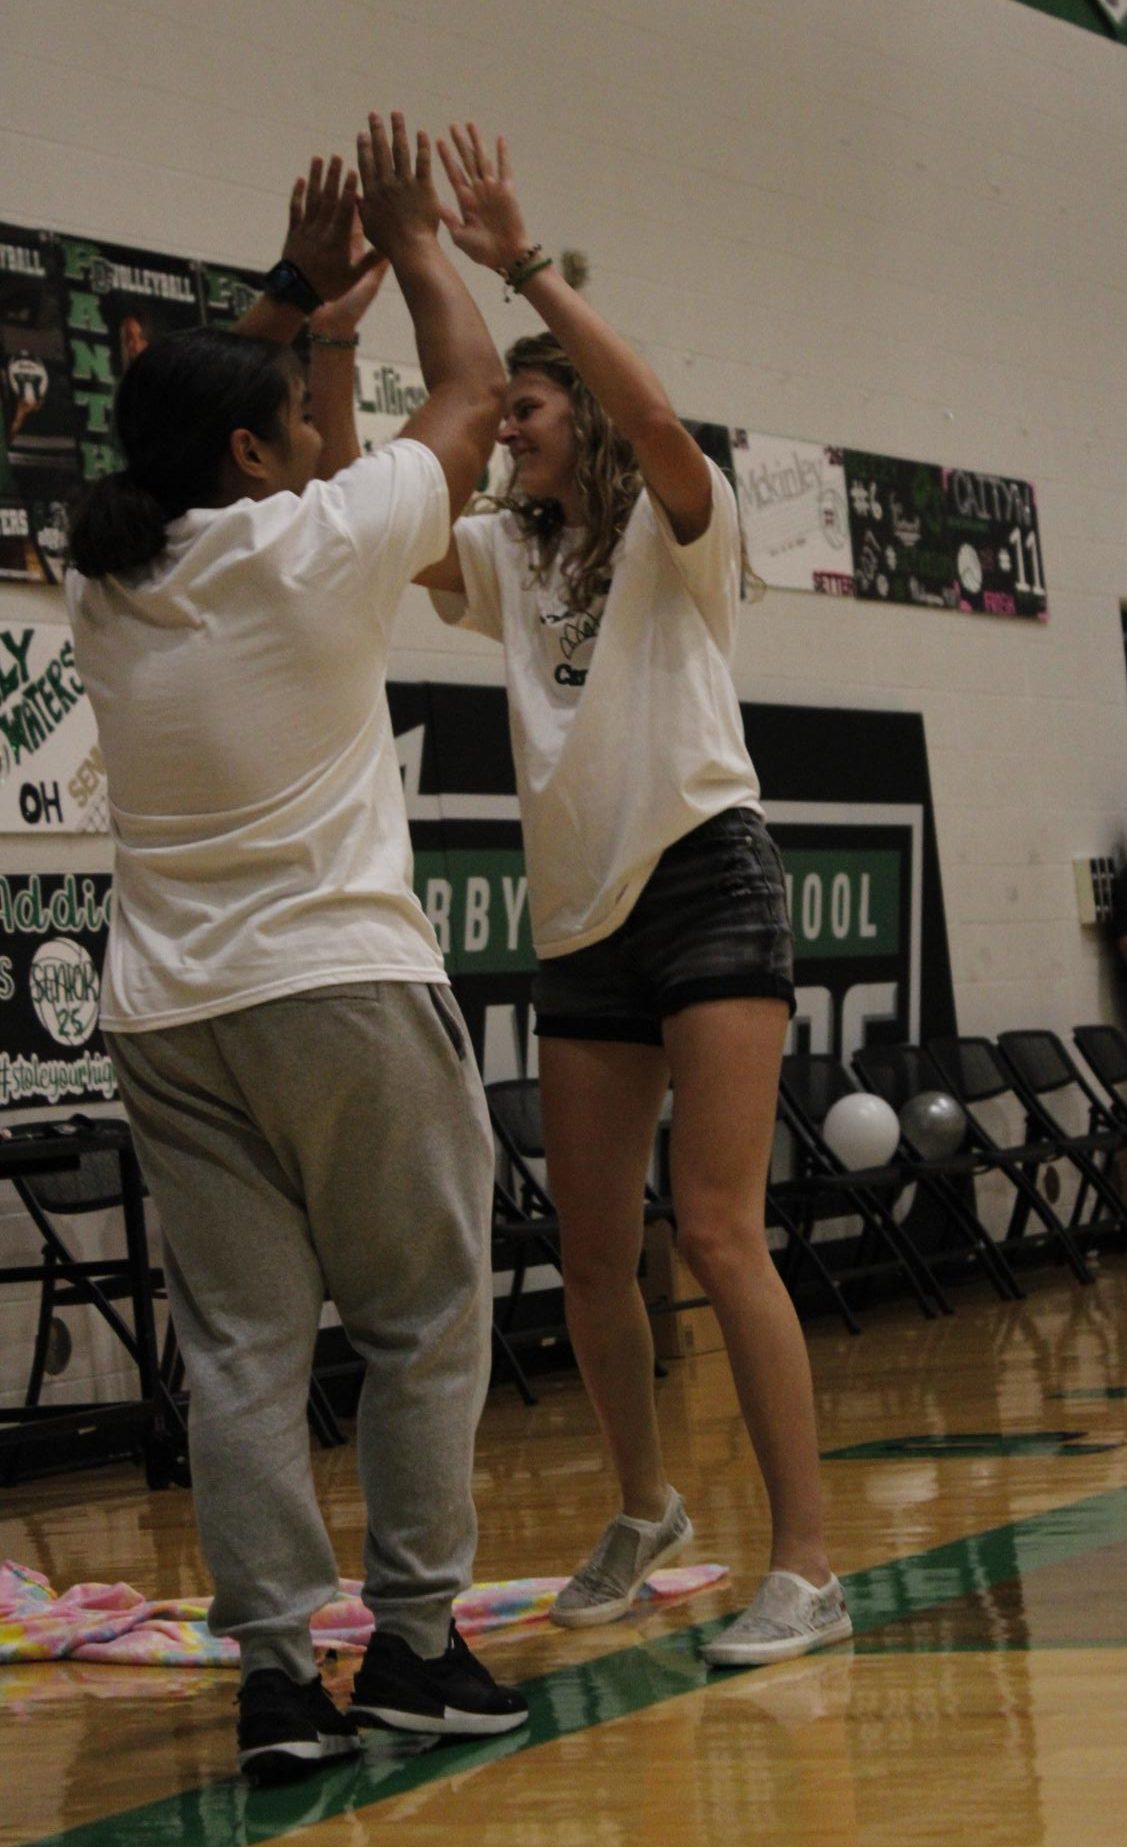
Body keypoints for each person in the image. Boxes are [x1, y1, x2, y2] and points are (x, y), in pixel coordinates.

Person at [65, 120, 527, 1784]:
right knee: (422, 1317)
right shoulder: (312, 548)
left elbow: (171, 424)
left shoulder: (102, 577)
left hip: (168, 1018)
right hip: (335, 985)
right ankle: (413, 1649)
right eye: (290, 425)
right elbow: (467, 403)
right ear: (264, 460)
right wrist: (412, 248)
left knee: (249, 1353)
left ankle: (277, 1683)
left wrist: (288, 307)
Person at [421, 125, 852, 1668]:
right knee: (598, 1251)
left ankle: (807, 1565)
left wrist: (517, 258)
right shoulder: (507, 554)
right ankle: (646, 1508)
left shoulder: (689, 522)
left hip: (705, 875)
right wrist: (407, 288)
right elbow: (404, 480)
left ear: (580, 416)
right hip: (582, 916)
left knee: (720, 1229)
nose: (509, 430)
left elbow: (649, 405)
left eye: (531, 409)